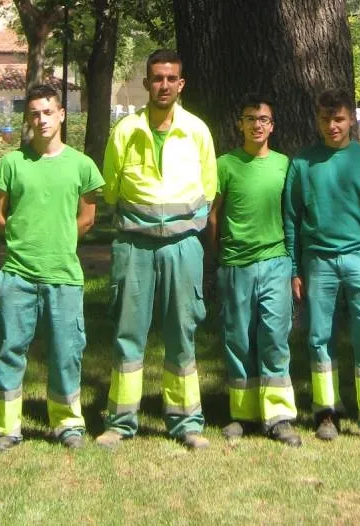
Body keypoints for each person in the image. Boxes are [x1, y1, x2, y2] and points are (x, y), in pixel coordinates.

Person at [96, 49, 217, 450]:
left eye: (171, 78)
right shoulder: (125, 131)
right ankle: (121, 422)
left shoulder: (197, 131)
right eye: (157, 78)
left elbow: (209, 188)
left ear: (181, 84)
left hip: (183, 247)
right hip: (134, 246)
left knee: (182, 333)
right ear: (146, 83)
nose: (163, 85)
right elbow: (111, 187)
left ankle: (186, 423)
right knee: (128, 333)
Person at [0, 85, 104, 451]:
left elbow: (87, 219)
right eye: (34, 113)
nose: (42, 119)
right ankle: (6, 427)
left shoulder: (82, 166)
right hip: (18, 274)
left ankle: (67, 423)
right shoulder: (11, 164)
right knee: (11, 348)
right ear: (28, 119)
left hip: (64, 275)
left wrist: (59, 240)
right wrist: (25, 237)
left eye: (48, 112)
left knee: (66, 351)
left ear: (61, 115)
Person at [283, 88, 360, 445]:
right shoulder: (303, 164)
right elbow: (292, 219)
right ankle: (326, 411)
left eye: (338, 119)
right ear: (316, 120)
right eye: (324, 119)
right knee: (319, 337)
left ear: (351, 120)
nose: (331, 126)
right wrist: (294, 268)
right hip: (317, 260)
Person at [207, 93, 301, 447]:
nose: (257, 125)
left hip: (275, 261)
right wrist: (217, 259)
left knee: (274, 337)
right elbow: (213, 216)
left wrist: (293, 265)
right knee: (238, 339)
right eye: (250, 119)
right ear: (240, 124)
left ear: (272, 126)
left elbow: (292, 217)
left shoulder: (284, 165)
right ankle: (242, 414)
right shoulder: (225, 165)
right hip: (235, 265)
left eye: (263, 119)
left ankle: (278, 416)